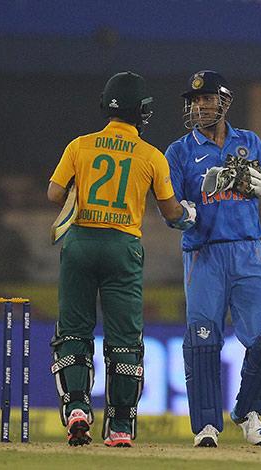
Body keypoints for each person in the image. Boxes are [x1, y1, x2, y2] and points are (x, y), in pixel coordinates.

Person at [47, 71, 196, 447]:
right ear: (140, 112)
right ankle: (119, 427)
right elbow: (171, 211)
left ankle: (77, 408)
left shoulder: (80, 145)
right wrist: (189, 215)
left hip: (80, 242)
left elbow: (53, 194)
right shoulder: (150, 155)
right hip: (123, 247)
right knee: (124, 340)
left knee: (74, 331)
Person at [165, 70, 261, 448]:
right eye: (194, 101)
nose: (200, 106)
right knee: (203, 340)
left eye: (207, 99)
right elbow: (170, 211)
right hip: (204, 254)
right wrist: (189, 211)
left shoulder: (248, 142)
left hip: (249, 250)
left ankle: (248, 413)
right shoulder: (179, 152)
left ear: (223, 102)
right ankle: (206, 426)